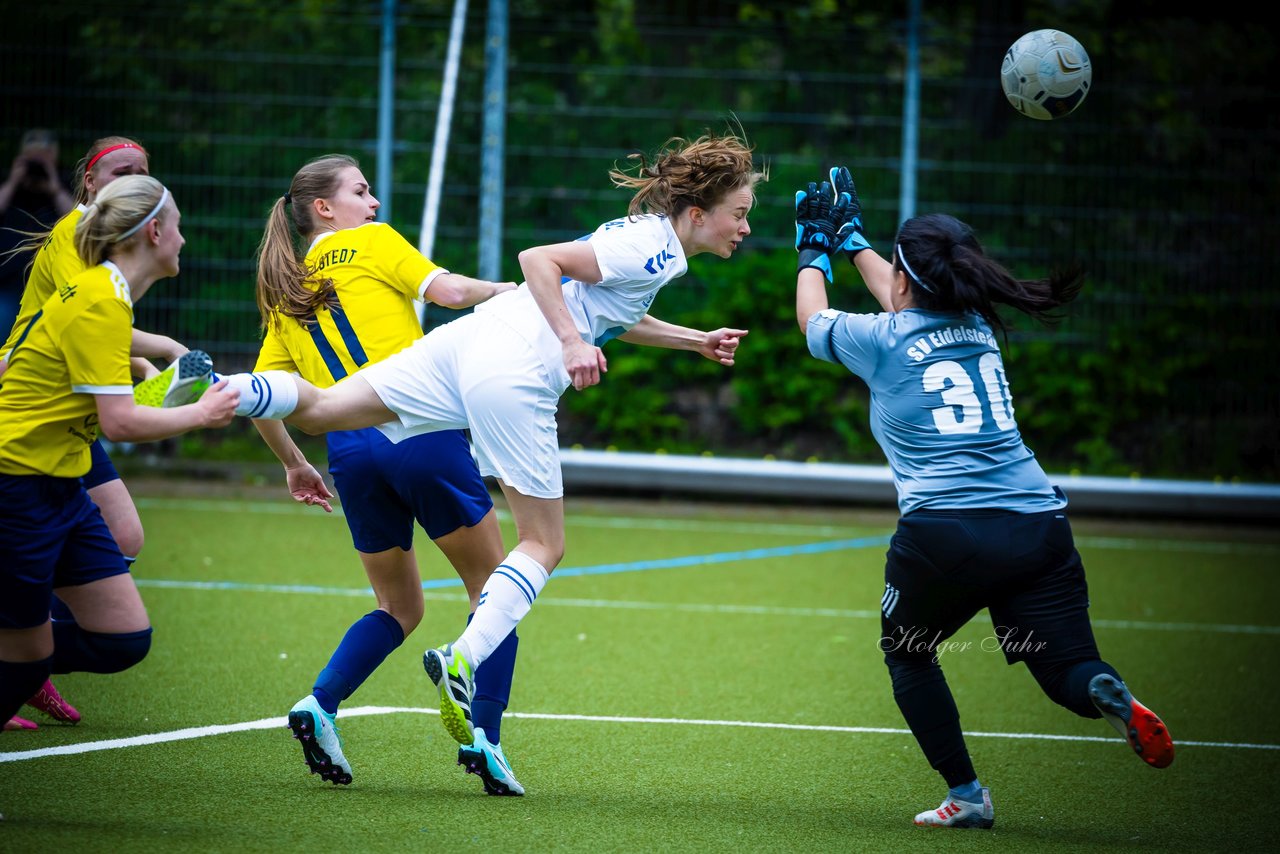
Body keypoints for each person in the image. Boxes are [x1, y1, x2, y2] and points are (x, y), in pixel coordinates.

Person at [187, 129, 761, 752]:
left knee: (322, 410)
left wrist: (694, 339)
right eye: (741, 214)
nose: (746, 227)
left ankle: (217, 385)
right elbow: (539, 261)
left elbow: (609, 311)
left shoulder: (650, 245)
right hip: (510, 370)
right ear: (699, 213)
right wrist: (570, 342)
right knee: (542, 544)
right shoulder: (653, 247)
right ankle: (466, 667)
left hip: (458, 351)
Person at [791, 169, 1174, 829]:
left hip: (947, 537)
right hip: (1039, 526)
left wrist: (812, 248)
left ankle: (968, 796)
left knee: (909, 650)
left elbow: (812, 319)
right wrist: (855, 239)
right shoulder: (977, 324)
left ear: (907, 281)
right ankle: (1101, 689)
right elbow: (903, 294)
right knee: (1065, 665)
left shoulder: (881, 341)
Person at [248, 153, 525, 794]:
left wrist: (294, 464)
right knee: (495, 590)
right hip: (420, 432)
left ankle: (319, 705)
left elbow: (268, 392)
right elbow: (450, 292)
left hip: (350, 455)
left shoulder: (286, 282)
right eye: (361, 191)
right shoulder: (371, 241)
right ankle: (486, 741)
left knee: (397, 607)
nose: (373, 205)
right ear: (325, 207)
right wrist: (512, 293)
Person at [0, 174, 239, 731]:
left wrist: (172, 391)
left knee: (122, 640)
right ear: (154, 231)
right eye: (177, 225)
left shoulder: (109, 296)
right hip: (17, 485)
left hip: (62, 485)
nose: (183, 238)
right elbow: (121, 421)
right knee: (25, 661)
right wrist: (200, 413)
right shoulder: (100, 300)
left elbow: (108, 400)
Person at [0, 129, 75, 334]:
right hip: (8, 278)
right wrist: (14, 181)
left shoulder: (64, 181)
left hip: (52, 278)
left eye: (44, 157)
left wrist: (54, 186)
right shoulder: (9, 182)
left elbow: (78, 218)